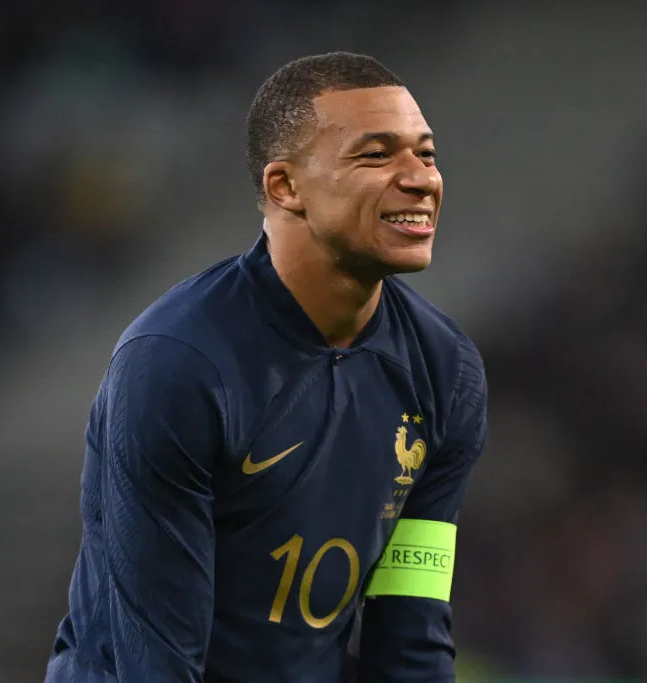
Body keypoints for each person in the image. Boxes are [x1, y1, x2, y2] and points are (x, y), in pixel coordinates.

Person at [44, 51, 488, 683]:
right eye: (376, 154)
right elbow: (157, 660)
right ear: (286, 187)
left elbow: (411, 625)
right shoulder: (180, 365)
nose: (421, 178)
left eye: (427, 153)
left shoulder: (446, 371)